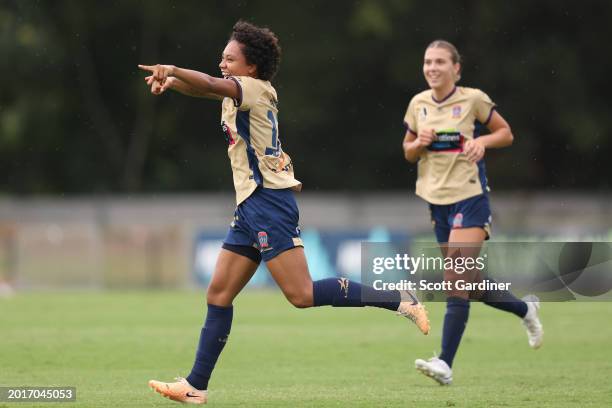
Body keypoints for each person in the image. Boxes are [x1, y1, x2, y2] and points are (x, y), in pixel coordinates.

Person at [139, 21, 430, 404]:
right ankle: (195, 386)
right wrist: (175, 84)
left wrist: (173, 70)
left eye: (230, 58)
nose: (222, 62)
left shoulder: (252, 89)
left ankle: (397, 299)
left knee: (301, 294)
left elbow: (209, 84)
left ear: (251, 67)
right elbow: (207, 88)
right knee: (219, 293)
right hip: (251, 206)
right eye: (222, 57)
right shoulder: (243, 90)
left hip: (268, 203)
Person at [401, 40, 543, 385]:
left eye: (439, 62)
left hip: (470, 200)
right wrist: (418, 143)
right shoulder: (418, 104)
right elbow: (407, 152)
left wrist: (483, 142)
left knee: (454, 279)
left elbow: (505, 133)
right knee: (470, 284)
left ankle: (445, 364)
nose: (432, 68)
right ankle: (525, 309)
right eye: (427, 62)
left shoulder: (472, 100)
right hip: (437, 204)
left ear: (456, 69)